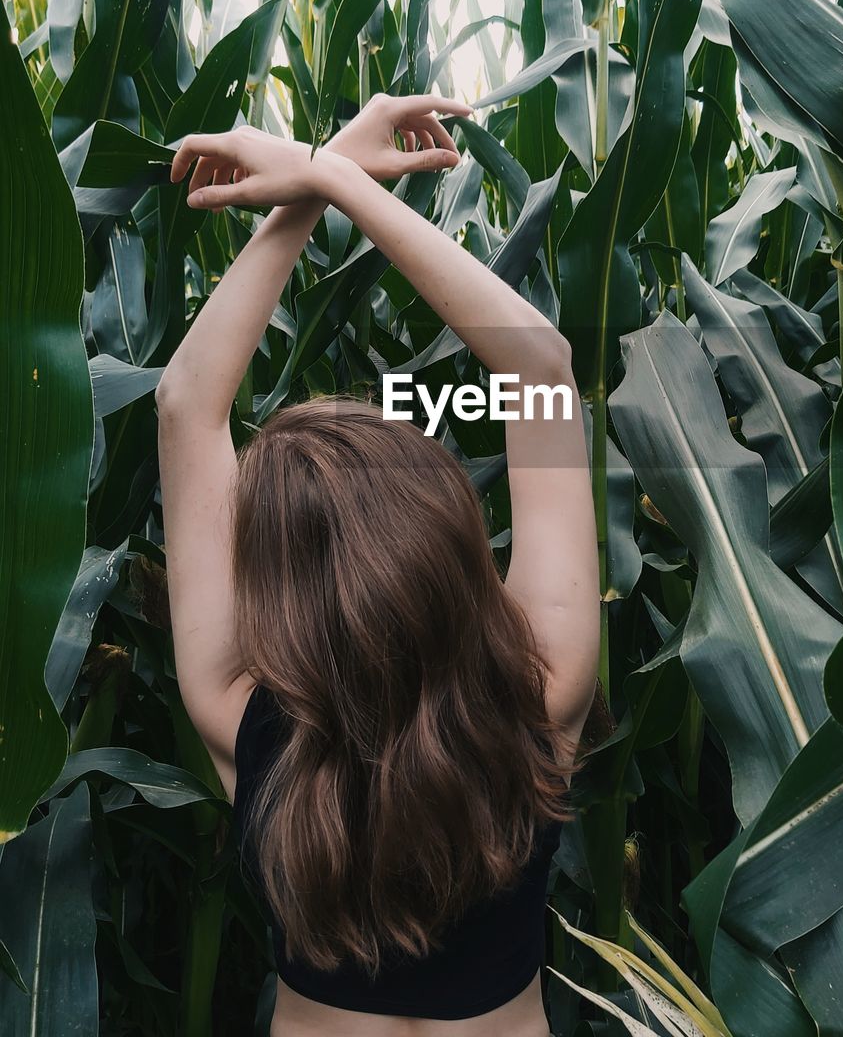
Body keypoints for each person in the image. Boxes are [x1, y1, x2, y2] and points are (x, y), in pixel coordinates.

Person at [155, 94, 600, 1037]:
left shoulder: (239, 718)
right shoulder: (541, 692)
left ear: (277, 598)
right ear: (446, 542)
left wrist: (314, 185)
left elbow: (188, 403)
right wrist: (334, 180)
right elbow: (540, 367)